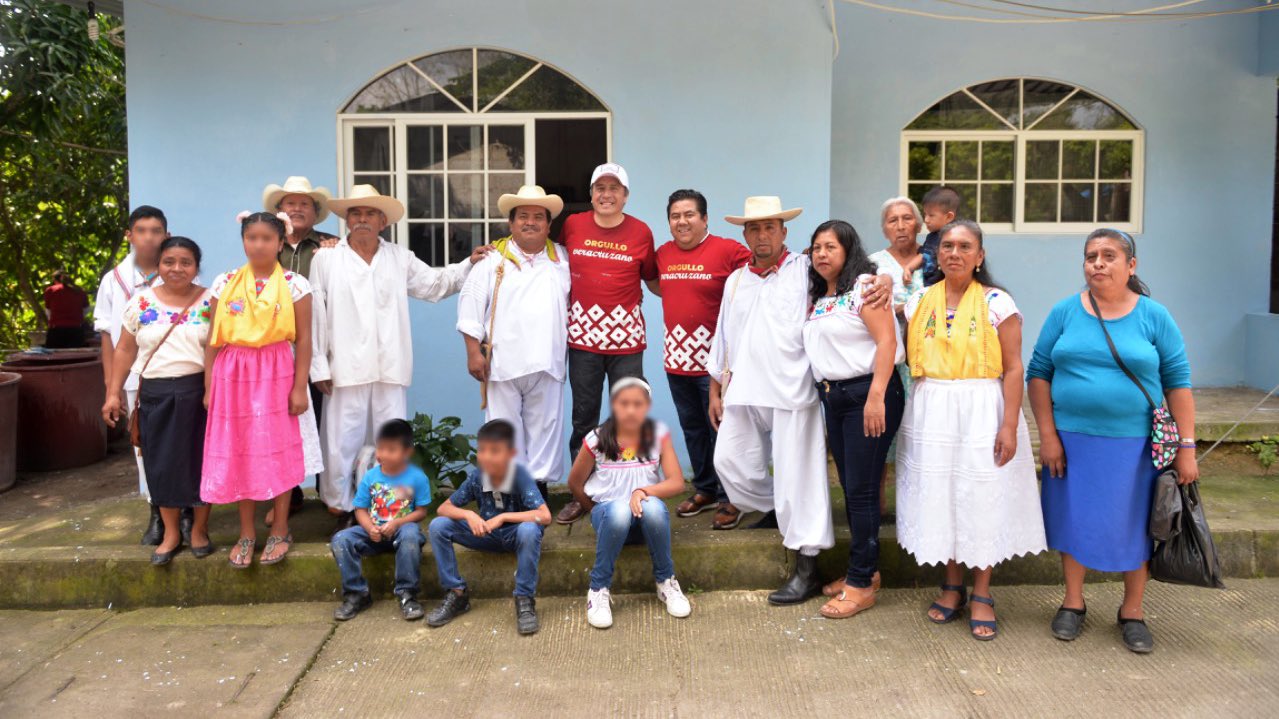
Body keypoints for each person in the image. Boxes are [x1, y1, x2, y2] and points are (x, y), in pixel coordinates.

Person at [1028, 228, 1196, 654]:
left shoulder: (1154, 316)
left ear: (1130, 265)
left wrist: (1187, 447)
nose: (1097, 263)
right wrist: (1047, 435)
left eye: (1108, 255)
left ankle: (1133, 611)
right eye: (1090, 256)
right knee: (1072, 520)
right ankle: (1073, 602)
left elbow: (1177, 383)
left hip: (1136, 445)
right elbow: (1038, 373)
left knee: (1137, 525)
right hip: (1071, 442)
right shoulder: (1065, 312)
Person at [895, 219, 1046, 641]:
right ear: (936, 254)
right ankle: (952, 585)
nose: (954, 253)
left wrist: (1011, 425)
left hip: (983, 407)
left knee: (980, 496)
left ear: (980, 257)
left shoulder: (998, 303)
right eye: (947, 246)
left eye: (964, 246)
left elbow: (1015, 368)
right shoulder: (918, 300)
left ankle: (982, 592)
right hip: (931, 409)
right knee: (943, 496)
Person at [310, 185, 489, 533]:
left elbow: (435, 284)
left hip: (390, 365)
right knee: (341, 441)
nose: (362, 219)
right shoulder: (326, 258)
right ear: (347, 219)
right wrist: (319, 363)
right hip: (344, 365)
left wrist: (469, 264)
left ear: (383, 221)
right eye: (356, 213)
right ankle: (343, 507)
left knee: (388, 442)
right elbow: (316, 311)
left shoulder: (398, 257)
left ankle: (386, 507)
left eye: (369, 214)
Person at [706, 196, 834, 606]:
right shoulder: (737, 280)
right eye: (754, 228)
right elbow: (724, 336)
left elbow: (841, 290)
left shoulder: (805, 270)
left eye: (769, 227)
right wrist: (715, 388)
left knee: (801, 476)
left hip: (793, 390)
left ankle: (807, 566)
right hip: (743, 389)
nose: (762, 235)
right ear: (744, 234)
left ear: (784, 231)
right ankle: (778, 506)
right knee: (729, 461)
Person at [202, 212, 323, 568]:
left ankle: (280, 528)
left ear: (280, 242)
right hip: (233, 374)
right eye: (251, 238)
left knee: (276, 450)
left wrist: (300, 387)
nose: (258, 245)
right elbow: (211, 339)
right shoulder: (224, 283)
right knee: (241, 449)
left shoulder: (295, 285)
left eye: (266, 239)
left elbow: (304, 341)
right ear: (243, 241)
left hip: (277, 372)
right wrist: (210, 385)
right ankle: (247, 532)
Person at [802, 220, 904, 619]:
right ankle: (864, 571)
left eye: (830, 246)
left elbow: (887, 341)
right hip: (835, 396)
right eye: (816, 248)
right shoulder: (820, 296)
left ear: (848, 250)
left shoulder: (865, 286)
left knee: (861, 490)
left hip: (868, 394)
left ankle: (860, 584)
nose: (821, 254)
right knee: (852, 486)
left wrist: (876, 396)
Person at [101, 237, 214, 565]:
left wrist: (212, 391)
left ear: (196, 266)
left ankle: (200, 531)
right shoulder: (140, 302)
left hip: (199, 393)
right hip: (155, 393)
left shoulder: (211, 302)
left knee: (200, 463)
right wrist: (113, 393)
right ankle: (170, 533)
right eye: (169, 261)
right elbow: (124, 349)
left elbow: (217, 350)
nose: (177, 268)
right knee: (161, 465)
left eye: (185, 262)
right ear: (159, 264)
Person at [557, 163, 659, 525]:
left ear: (626, 195)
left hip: (627, 340)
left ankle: (630, 490)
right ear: (591, 193)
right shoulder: (573, 225)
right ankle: (581, 494)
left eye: (614, 188)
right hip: (583, 337)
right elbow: (548, 259)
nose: (606, 194)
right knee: (584, 417)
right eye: (600, 187)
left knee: (627, 419)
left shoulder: (641, 232)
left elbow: (654, 280)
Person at [457, 186, 571, 497]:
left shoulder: (561, 258)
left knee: (544, 428)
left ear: (549, 225)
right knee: (502, 428)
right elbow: (469, 306)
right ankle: (505, 492)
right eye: (523, 217)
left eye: (538, 217)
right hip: (502, 362)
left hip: (548, 361)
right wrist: (472, 352)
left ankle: (537, 489)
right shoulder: (492, 259)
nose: (530, 222)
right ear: (511, 224)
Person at [654, 189, 752, 530]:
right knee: (693, 429)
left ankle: (730, 497)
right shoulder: (663, 254)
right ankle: (706, 489)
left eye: (689, 215)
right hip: (676, 358)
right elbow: (656, 284)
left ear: (704, 218)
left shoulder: (728, 250)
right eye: (675, 216)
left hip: (716, 363)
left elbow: (760, 273)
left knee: (721, 430)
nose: (682, 221)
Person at [567, 378, 692, 629]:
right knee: (617, 510)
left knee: (655, 507)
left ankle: (666, 582)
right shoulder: (597, 439)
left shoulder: (658, 435)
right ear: (614, 405)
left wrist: (642, 491)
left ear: (647, 406)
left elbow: (677, 482)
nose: (631, 410)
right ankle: (598, 589)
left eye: (638, 404)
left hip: (643, 520)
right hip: (610, 518)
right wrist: (596, 512)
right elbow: (575, 483)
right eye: (624, 403)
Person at [427, 419, 552, 635]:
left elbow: (544, 515)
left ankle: (524, 599)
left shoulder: (520, 476)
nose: (486, 457)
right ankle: (457, 593)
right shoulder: (477, 477)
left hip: (516, 536)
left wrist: (504, 517)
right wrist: (468, 514)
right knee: (439, 526)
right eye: (482, 450)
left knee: (529, 529)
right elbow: (444, 508)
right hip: (486, 535)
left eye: (495, 451)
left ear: (511, 455)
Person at [93, 205, 172, 545]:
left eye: (156, 231)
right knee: (144, 446)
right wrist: (112, 390)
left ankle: (183, 511)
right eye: (142, 230)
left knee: (182, 444)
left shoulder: (180, 271)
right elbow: (109, 340)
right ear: (129, 235)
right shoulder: (114, 282)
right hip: (133, 378)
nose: (149, 237)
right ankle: (156, 511)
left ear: (165, 235)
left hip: (177, 373)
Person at [262, 176, 339, 518]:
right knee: (279, 423)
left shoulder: (331, 247)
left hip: (319, 348)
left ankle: (329, 492)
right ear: (279, 211)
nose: (296, 209)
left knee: (324, 419)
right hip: (275, 350)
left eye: (304, 203)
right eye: (290, 203)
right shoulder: (267, 245)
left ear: (314, 211)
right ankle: (287, 494)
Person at [330, 419, 432, 622]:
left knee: (411, 533)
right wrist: (369, 528)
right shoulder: (371, 477)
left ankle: (407, 594)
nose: (383, 454)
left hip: (402, 532)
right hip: (374, 534)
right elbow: (360, 509)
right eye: (381, 448)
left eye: (391, 449)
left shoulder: (417, 477)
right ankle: (357, 593)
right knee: (341, 539)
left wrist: (397, 523)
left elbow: (421, 512)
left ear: (407, 452)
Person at [867, 197, 926, 318]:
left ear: (919, 226)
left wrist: (906, 308)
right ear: (884, 232)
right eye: (893, 220)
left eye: (907, 218)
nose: (900, 226)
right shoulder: (872, 262)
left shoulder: (934, 258)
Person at [918, 186, 960, 287]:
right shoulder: (931, 237)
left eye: (931, 215)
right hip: (927, 285)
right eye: (925, 215)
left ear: (949, 217)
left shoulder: (954, 239)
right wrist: (909, 268)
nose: (926, 220)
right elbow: (922, 256)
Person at [43, 271, 89, 348]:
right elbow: (86, 309)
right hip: (76, 331)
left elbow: (48, 312)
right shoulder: (80, 291)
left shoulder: (51, 290)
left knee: (55, 357)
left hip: (56, 331)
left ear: (55, 280)